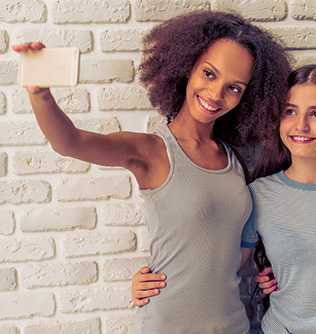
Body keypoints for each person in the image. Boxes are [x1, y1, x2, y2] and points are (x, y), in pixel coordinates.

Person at [14, 10, 291, 334]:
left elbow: (231, 251)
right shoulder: (152, 151)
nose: (216, 94)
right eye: (209, 74)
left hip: (233, 324)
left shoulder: (235, 159)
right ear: (187, 68)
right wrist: (40, 94)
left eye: (234, 88)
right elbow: (70, 142)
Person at [132, 64, 316, 333]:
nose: (301, 125)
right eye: (290, 111)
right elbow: (220, 270)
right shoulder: (258, 195)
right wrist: (157, 282)